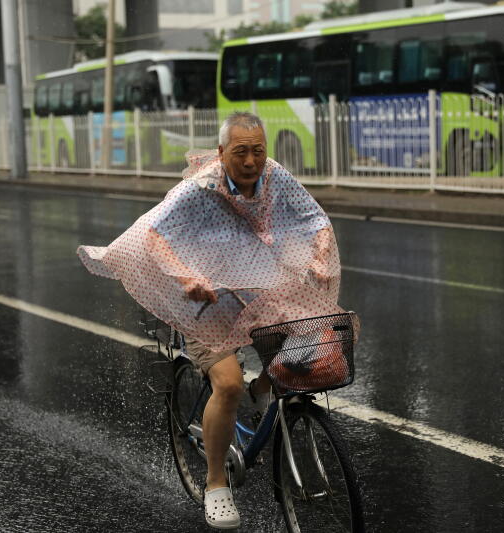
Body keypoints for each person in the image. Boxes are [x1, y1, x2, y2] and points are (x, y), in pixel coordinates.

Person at [77, 111, 343, 529]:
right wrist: (188, 276)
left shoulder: (275, 176)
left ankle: (263, 389)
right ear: (222, 154)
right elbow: (154, 234)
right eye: (241, 153)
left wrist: (322, 257)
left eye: (258, 151)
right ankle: (216, 483)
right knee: (228, 384)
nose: (252, 161)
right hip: (206, 299)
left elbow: (315, 220)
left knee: (306, 340)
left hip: (254, 289)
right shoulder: (201, 187)